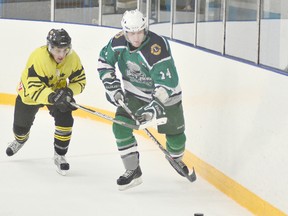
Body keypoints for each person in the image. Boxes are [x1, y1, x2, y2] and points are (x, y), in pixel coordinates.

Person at [97, 9, 189, 190]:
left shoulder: (157, 47)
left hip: (166, 97)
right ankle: (133, 171)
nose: (136, 37)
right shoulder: (117, 43)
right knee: (120, 127)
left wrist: (153, 108)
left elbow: (168, 83)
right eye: (131, 33)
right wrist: (113, 88)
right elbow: (104, 62)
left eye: (139, 31)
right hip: (134, 94)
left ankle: (176, 158)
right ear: (125, 31)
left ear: (145, 29)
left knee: (176, 140)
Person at [6, 28, 86, 176]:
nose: (61, 54)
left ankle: (60, 154)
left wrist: (68, 92)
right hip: (30, 95)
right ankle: (20, 139)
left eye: (65, 50)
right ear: (50, 47)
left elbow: (80, 81)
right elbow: (33, 88)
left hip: (57, 92)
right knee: (20, 129)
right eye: (57, 50)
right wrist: (52, 97)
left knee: (66, 117)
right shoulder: (38, 58)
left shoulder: (73, 58)